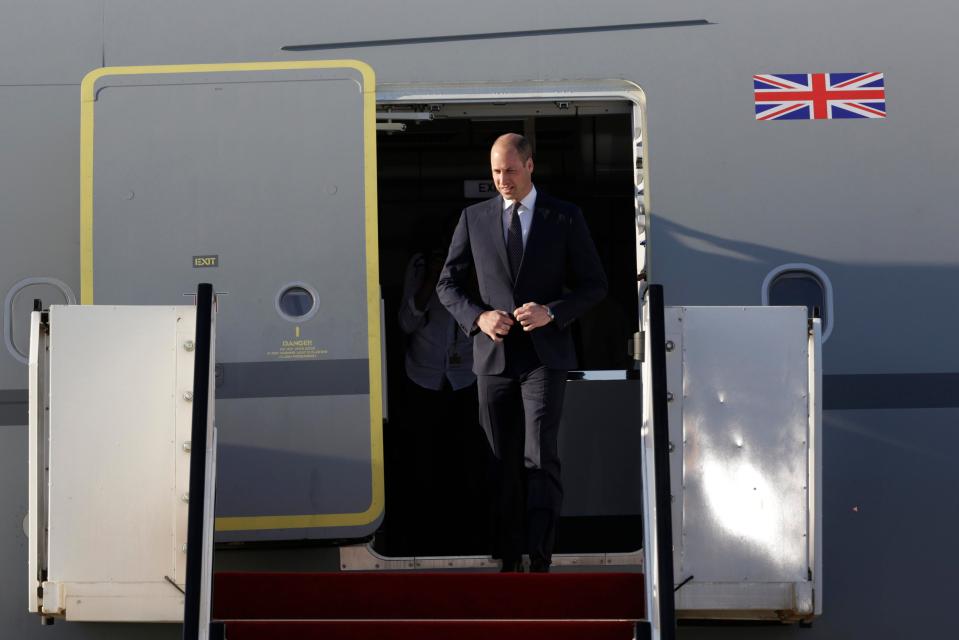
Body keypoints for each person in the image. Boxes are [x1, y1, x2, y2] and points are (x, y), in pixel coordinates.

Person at [436, 133, 607, 572]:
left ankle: (541, 556)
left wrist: (553, 311)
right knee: (498, 459)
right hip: (493, 358)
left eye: (510, 171)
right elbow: (447, 285)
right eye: (495, 172)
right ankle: (508, 556)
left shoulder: (564, 217)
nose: (502, 180)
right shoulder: (473, 218)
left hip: (543, 358)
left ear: (531, 166)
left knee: (538, 455)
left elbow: (595, 286)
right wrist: (479, 318)